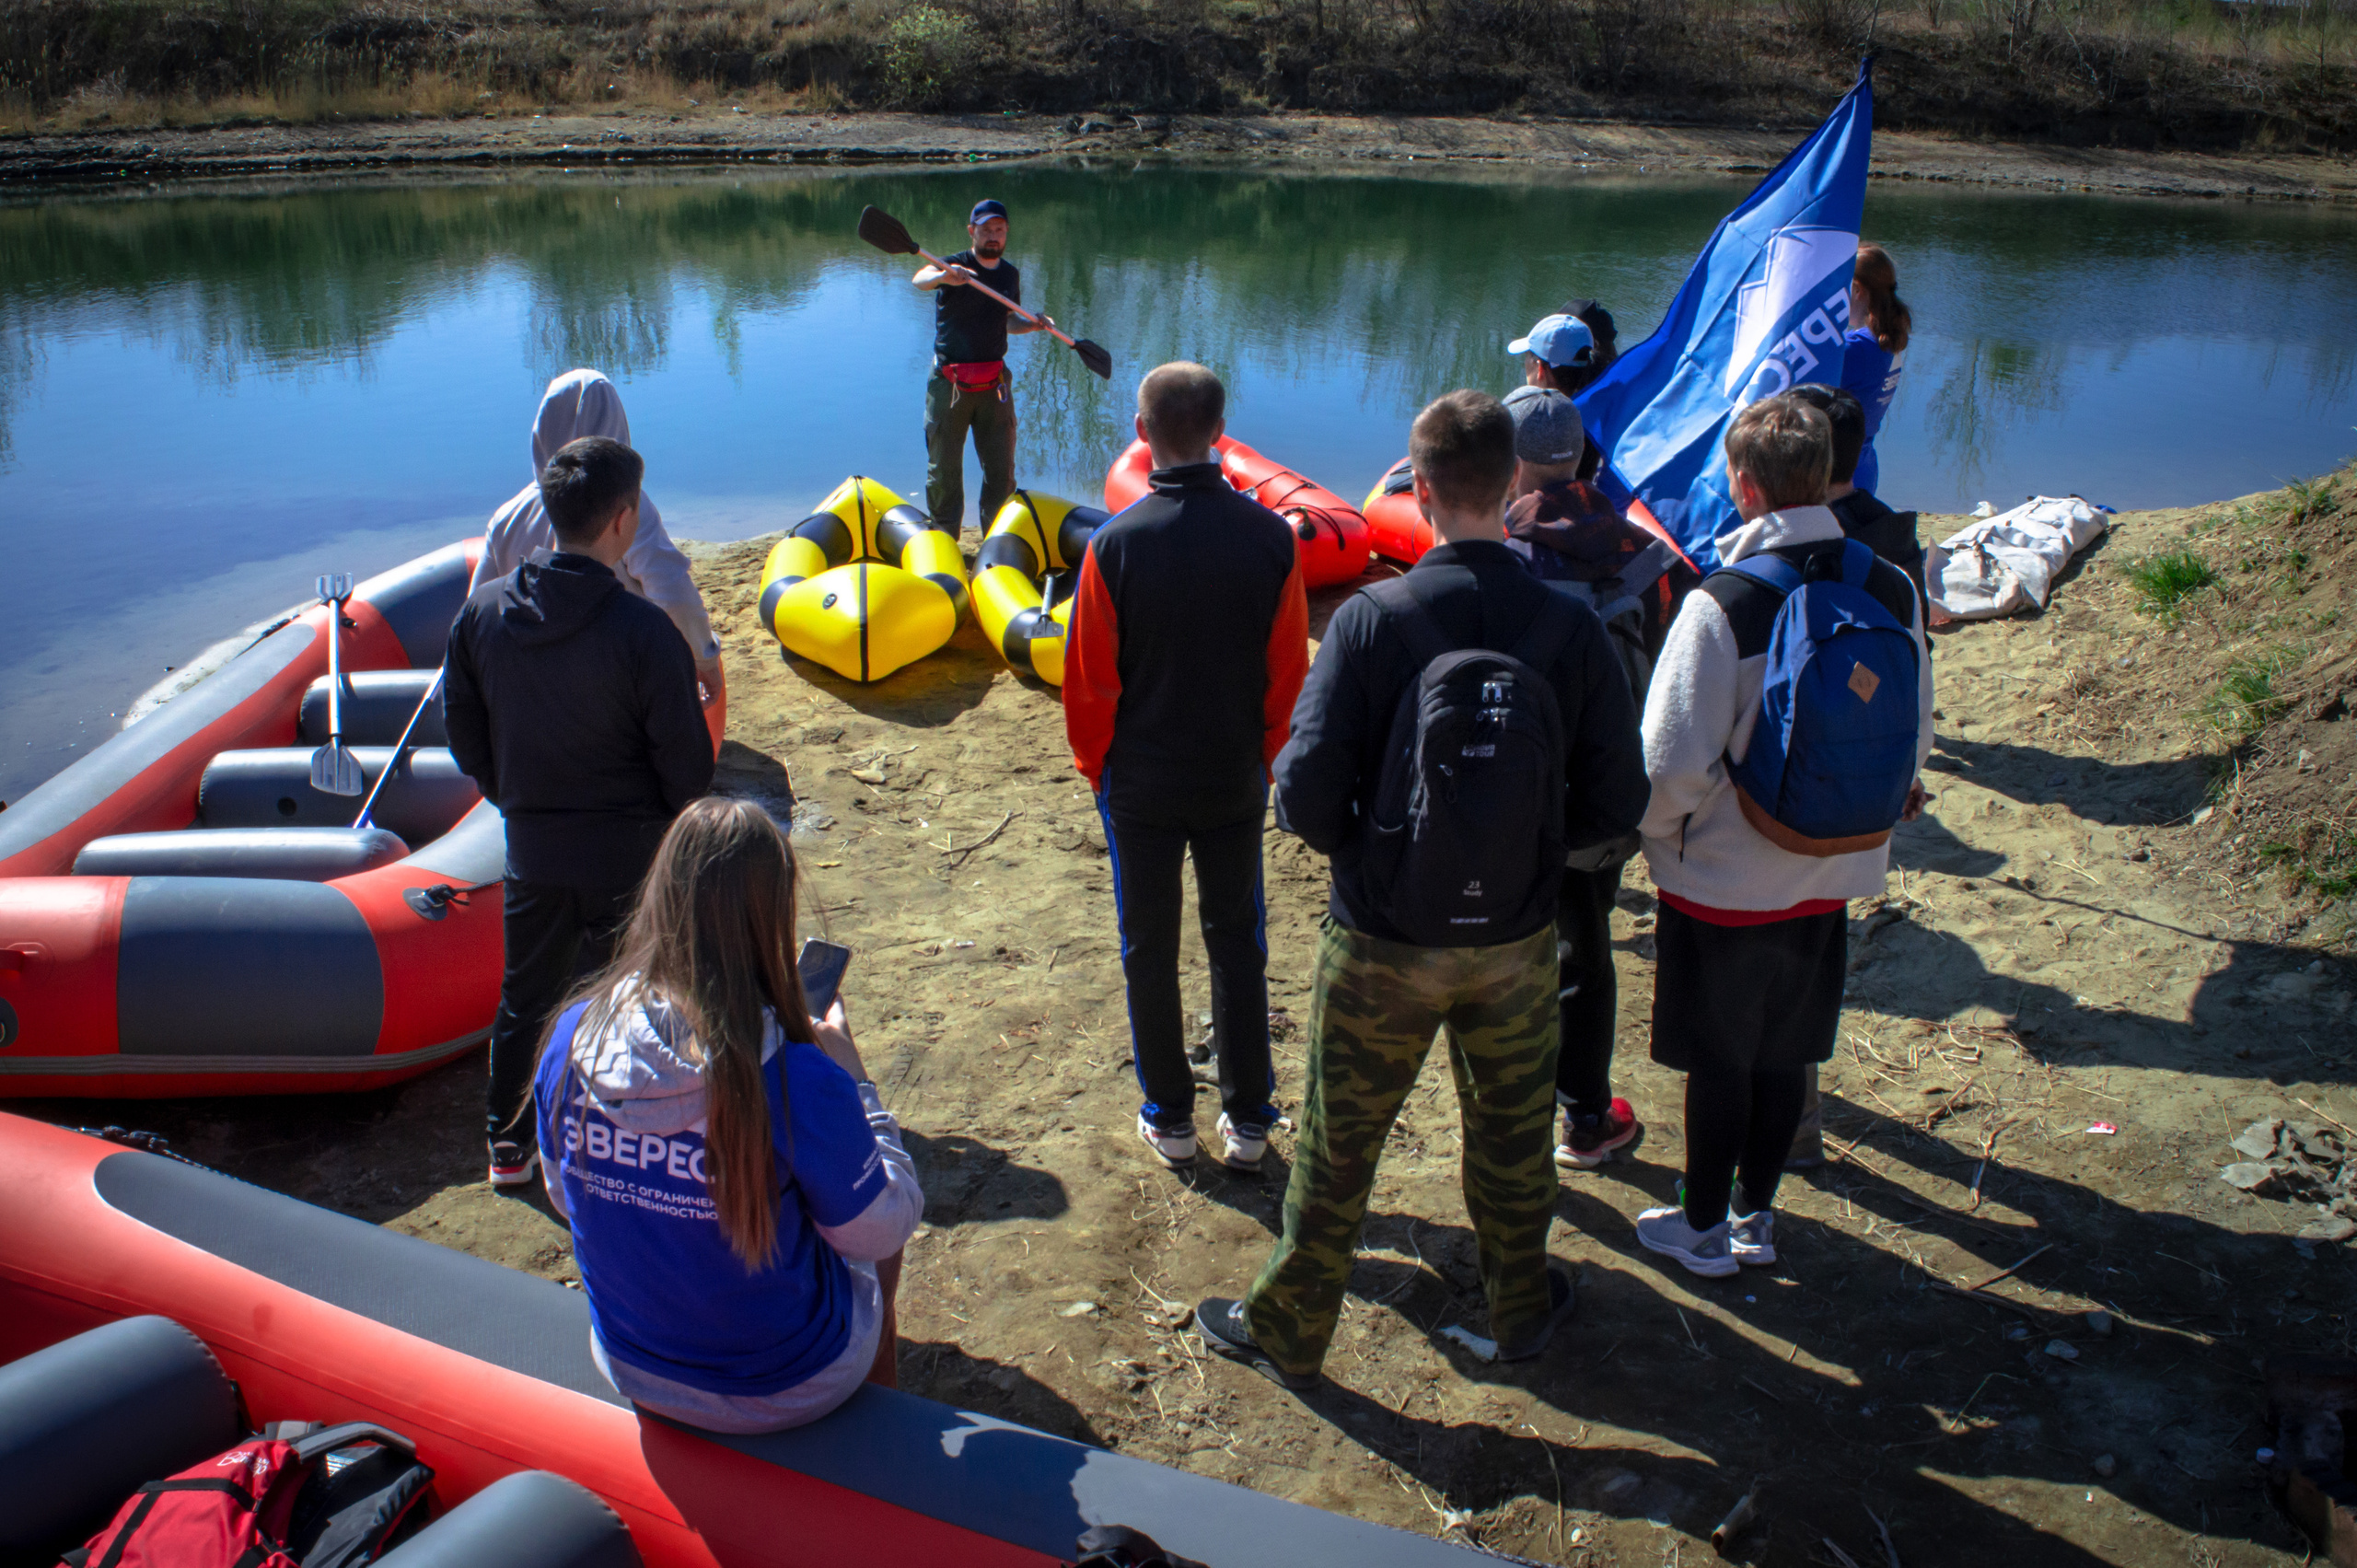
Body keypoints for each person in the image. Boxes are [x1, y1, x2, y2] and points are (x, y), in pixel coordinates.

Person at [1192, 390, 1648, 1390]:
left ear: (1422, 489)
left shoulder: (1371, 619)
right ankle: (1519, 1305)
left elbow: (1302, 794)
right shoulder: (1568, 626)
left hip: (1382, 940)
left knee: (1338, 1140)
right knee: (1514, 1132)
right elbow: (1622, 800)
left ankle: (1290, 1327)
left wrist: (1373, 856)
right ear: (1517, 481)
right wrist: (1529, 854)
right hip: (1520, 941)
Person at [1631, 395, 1933, 1278]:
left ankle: (1699, 1227)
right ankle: (1756, 1217)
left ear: (1744, 484)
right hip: (1836, 863)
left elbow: (1669, 763)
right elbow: (1912, 725)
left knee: (1718, 1059)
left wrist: (1666, 842)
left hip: (1725, 881)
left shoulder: (1722, 603)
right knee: (1785, 1050)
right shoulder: (1889, 584)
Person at [536, 797, 922, 1431]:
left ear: (662, 897)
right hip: (789, 1383)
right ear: (771, 915)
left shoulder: (574, 1033)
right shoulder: (796, 1074)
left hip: (632, 1361)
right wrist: (853, 1077)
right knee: (875, 1222)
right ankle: (879, 1426)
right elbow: (882, 1229)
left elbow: (560, 1193)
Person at [445, 435, 716, 1184]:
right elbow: (688, 770)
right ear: (624, 520)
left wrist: (517, 798)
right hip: (628, 854)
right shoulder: (644, 632)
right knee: (638, 993)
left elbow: (463, 735)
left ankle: (508, 1143)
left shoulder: (482, 617)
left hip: (533, 845)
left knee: (525, 993)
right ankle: (625, 1138)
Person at [1065, 363, 1310, 1173]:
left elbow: (1090, 681)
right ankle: (1248, 1119)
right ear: (1220, 433)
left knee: (1149, 946)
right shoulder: (1272, 539)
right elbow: (1288, 678)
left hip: (1139, 785)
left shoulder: (1115, 545)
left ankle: (1169, 1115)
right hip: (1235, 778)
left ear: (1143, 434)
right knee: (1238, 939)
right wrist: (1268, 763)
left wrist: (1098, 769)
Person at [1499, 386, 1701, 1173]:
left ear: (1513, 466)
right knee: (1587, 949)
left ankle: (1508, 1108)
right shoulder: (1648, 557)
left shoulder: (1501, 562)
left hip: (1513, 798)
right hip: (1609, 798)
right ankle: (1586, 1117)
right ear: (1582, 458)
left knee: (1508, 949)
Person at [471, 368, 724, 712]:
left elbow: (478, 609)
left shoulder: (507, 516)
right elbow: (671, 589)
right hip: (615, 671)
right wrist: (704, 657)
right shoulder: (626, 506)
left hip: (536, 681)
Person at [912, 198, 1053, 532]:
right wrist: (947, 278)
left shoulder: (1009, 275)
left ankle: (997, 538)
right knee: (944, 470)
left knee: (1001, 470)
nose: (994, 236)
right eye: (987, 229)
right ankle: (945, 539)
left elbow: (1005, 321)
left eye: (1000, 230)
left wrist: (1031, 325)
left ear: (1006, 233)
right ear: (971, 231)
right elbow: (920, 279)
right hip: (951, 384)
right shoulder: (951, 266)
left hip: (995, 385)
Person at [1837, 243, 1910, 496]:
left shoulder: (1854, 350)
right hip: (1864, 468)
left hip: (1839, 478)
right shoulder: (1887, 342)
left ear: (1856, 290)